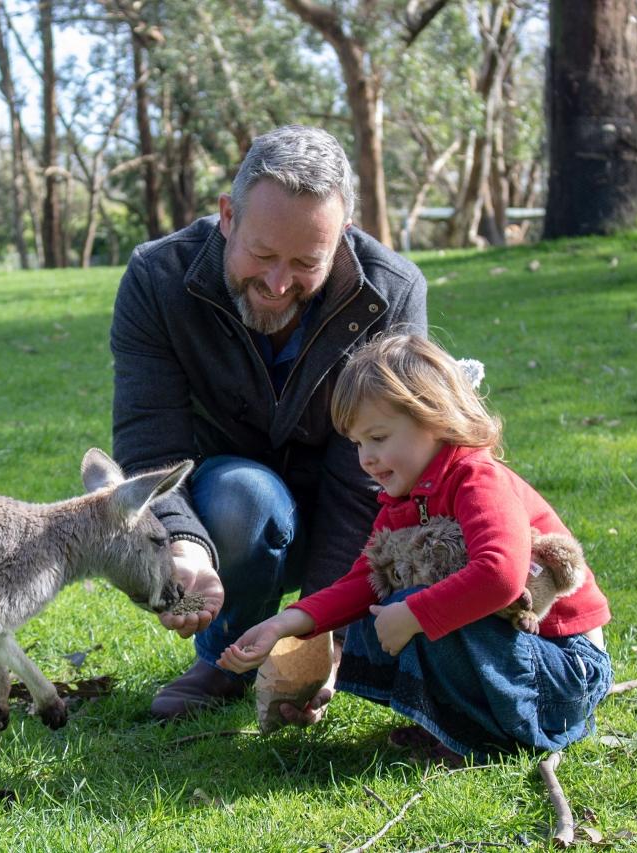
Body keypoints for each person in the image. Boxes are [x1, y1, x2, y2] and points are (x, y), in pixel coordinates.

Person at [109, 125, 428, 720]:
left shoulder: (391, 292)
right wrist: (183, 542)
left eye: (306, 262)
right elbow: (149, 440)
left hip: (350, 509)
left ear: (344, 237)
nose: (279, 284)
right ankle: (225, 656)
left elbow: (371, 474)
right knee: (245, 497)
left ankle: (318, 655)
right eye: (261, 255)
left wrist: (318, 629)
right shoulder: (157, 279)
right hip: (229, 504)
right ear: (228, 215)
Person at [218, 334, 613, 761]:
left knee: (409, 606)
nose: (366, 458)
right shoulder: (405, 499)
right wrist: (283, 625)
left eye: (379, 437)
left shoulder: (476, 478)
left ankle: (488, 732)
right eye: (357, 444)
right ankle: (458, 723)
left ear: (435, 420)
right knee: (375, 613)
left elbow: (501, 577)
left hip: (564, 669)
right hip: (519, 659)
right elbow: (364, 582)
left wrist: (413, 614)